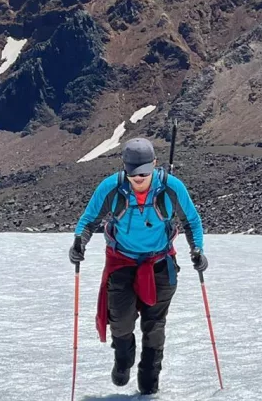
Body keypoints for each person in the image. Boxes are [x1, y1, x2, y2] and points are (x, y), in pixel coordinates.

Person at [69, 137, 208, 395]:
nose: (139, 178)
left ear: (154, 164)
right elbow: (89, 220)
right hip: (122, 261)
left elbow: (192, 222)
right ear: (125, 167)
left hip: (160, 263)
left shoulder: (171, 188)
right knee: (120, 320)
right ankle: (123, 359)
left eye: (144, 172)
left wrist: (197, 249)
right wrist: (79, 243)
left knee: (154, 324)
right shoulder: (112, 187)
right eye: (134, 173)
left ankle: (149, 376)